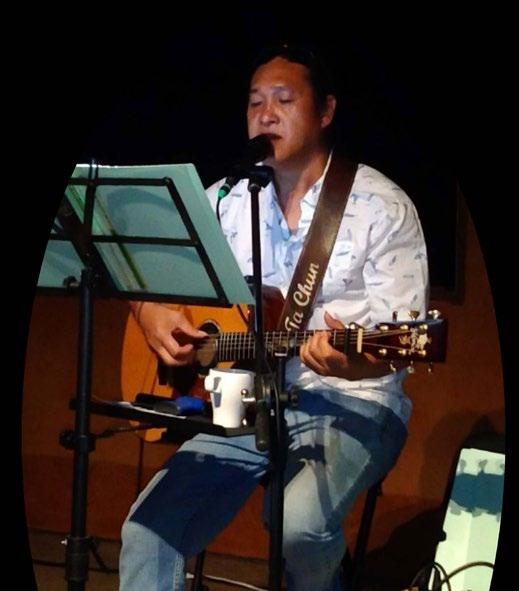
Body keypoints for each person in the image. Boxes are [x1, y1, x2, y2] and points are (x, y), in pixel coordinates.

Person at [119, 43, 429, 591]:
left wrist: (347, 363)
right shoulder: (226, 199)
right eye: (255, 101)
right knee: (147, 530)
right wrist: (148, 312)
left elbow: (396, 348)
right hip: (244, 398)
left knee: (296, 526)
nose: (266, 114)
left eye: (284, 100)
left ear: (325, 111)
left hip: (353, 400)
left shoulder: (382, 205)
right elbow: (137, 264)